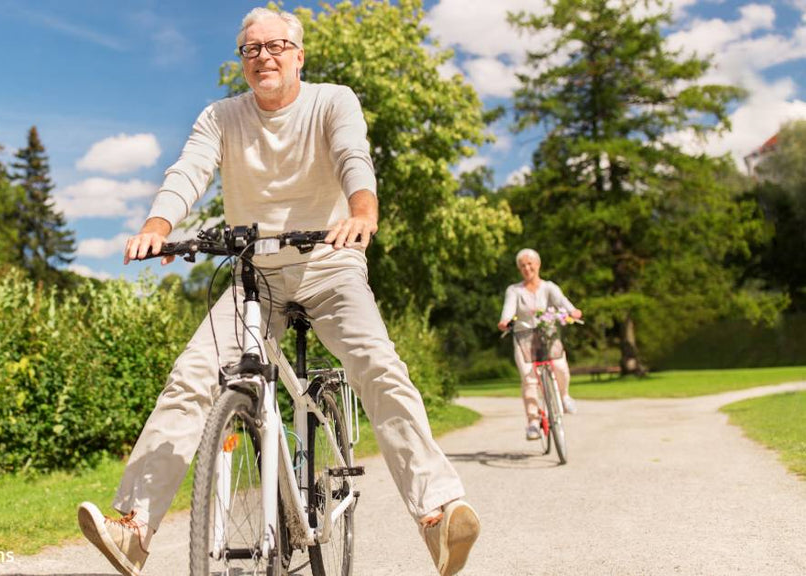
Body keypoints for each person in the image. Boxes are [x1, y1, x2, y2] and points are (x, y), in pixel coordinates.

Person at [76, 7, 479, 576]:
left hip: (330, 264)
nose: (263, 56)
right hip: (254, 276)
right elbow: (187, 172)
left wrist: (363, 211)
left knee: (379, 366)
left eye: (275, 45)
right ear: (242, 61)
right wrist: (157, 227)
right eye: (250, 49)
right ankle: (135, 529)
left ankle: (438, 515)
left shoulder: (332, 101)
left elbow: (352, 157)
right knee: (192, 377)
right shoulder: (221, 116)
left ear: (299, 54)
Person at [497, 248, 583, 440]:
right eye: (523, 266)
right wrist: (505, 321)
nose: (527, 268)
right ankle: (533, 422)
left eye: (530, 264)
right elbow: (508, 310)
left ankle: (564, 396)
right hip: (524, 337)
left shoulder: (549, 287)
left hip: (548, 335)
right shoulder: (514, 290)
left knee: (560, 366)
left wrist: (573, 311)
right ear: (519, 269)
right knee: (529, 378)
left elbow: (563, 302)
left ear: (538, 265)